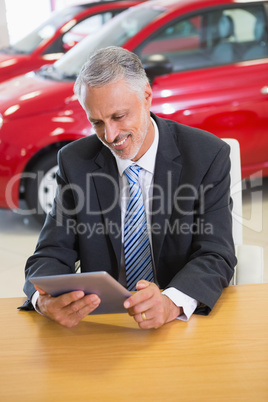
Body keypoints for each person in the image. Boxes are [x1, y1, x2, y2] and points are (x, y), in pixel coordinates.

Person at [21, 46, 236, 329]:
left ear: (146, 96)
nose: (110, 136)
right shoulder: (75, 161)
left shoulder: (207, 155)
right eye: (97, 122)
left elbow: (216, 253)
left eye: (119, 116)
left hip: (178, 321)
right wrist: (44, 300)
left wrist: (171, 303)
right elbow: (50, 253)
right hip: (106, 325)